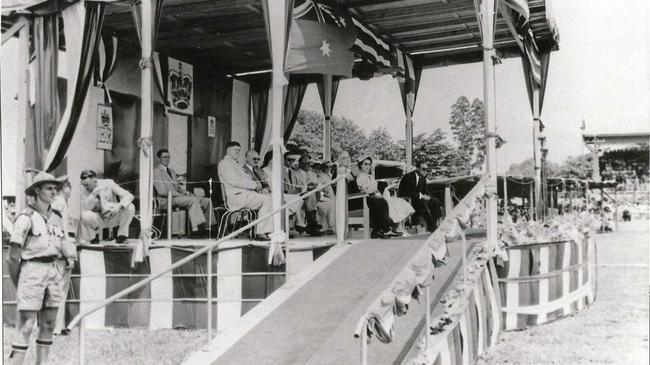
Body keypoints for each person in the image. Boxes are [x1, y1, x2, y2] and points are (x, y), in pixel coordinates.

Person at [6, 171, 76, 364]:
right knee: (26, 324)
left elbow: (62, 242)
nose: (54, 192)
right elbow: (12, 257)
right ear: (37, 190)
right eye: (48, 188)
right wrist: (19, 280)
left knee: (49, 323)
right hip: (32, 270)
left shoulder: (57, 216)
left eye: (55, 188)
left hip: (53, 271)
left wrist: (70, 253)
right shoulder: (25, 217)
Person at [218, 141, 274, 240]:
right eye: (235, 150)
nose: (237, 152)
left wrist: (257, 186)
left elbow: (245, 180)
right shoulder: (225, 163)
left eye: (239, 150)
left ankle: (268, 230)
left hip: (244, 195)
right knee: (267, 200)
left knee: (271, 198)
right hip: (236, 197)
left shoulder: (234, 164)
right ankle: (261, 231)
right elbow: (235, 181)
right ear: (228, 150)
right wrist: (254, 185)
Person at [153, 149, 217, 234]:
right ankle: (196, 229)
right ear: (159, 159)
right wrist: (180, 195)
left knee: (206, 201)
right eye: (164, 157)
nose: (166, 159)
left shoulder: (172, 171)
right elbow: (162, 191)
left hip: (177, 198)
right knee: (192, 200)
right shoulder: (156, 171)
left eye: (168, 157)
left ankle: (209, 227)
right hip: (166, 200)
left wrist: (186, 193)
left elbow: (177, 187)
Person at [79, 170, 135, 244]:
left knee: (130, 207)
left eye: (87, 185)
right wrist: (93, 194)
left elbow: (129, 195)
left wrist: (118, 206)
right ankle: (94, 238)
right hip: (99, 219)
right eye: (83, 185)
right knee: (84, 215)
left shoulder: (108, 183)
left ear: (95, 180)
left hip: (113, 215)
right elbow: (86, 207)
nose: (85, 187)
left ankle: (122, 236)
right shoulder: (83, 189)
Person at [356, 157, 404, 239]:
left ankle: (378, 231)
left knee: (383, 201)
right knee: (378, 202)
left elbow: (375, 188)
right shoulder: (360, 176)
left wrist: (376, 192)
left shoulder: (370, 176)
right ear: (361, 166)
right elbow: (364, 189)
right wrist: (372, 189)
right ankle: (386, 229)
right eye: (365, 164)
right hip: (365, 198)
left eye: (369, 164)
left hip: (373, 196)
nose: (368, 166)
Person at [398, 161, 443, 232]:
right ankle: (432, 226)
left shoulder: (423, 178)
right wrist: (421, 196)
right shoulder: (408, 177)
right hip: (408, 200)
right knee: (422, 203)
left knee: (435, 201)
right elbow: (406, 192)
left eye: (426, 169)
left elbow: (425, 190)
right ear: (417, 168)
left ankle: (435, 223)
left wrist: (428, 196)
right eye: (423, 169)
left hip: (419, 199)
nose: (425, 171)